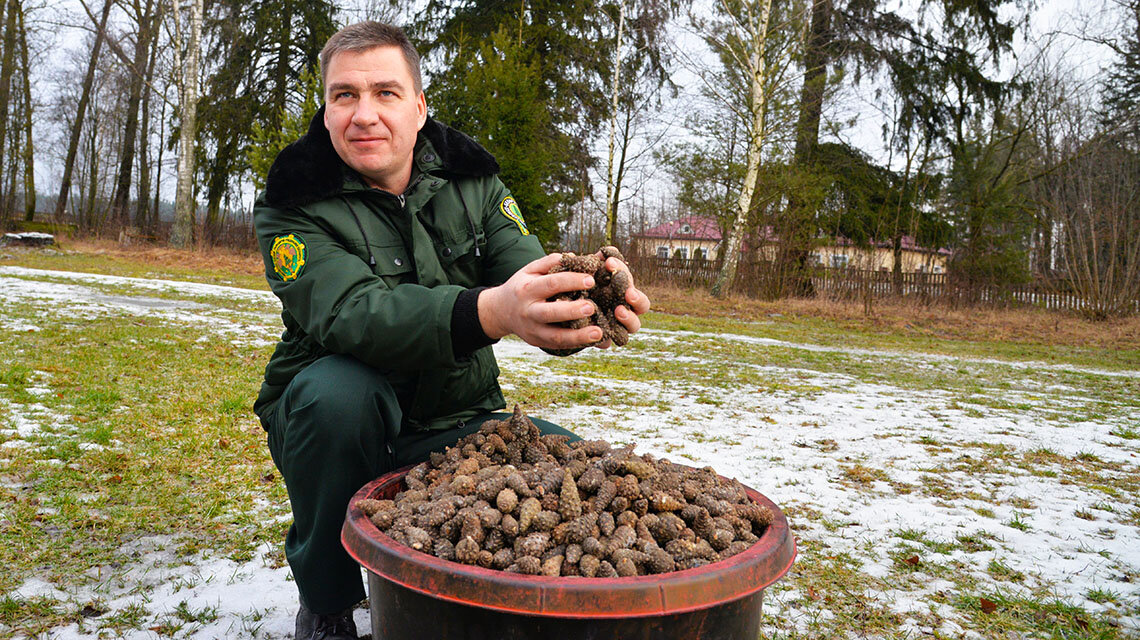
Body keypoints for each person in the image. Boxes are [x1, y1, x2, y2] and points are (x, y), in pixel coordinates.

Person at [251, 22, 650, 640]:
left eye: (385, 92)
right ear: (325, 110)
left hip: (457, 415)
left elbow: (524, 270)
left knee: (577, 471)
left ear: (419, 106)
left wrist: (585, 295)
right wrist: (492, 312)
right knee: (338, 397)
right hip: (337, 424)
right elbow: (354, 313)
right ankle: (328, 603)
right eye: (344, 95)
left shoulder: (474, 181)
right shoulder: (292, 200)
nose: (364, 114)